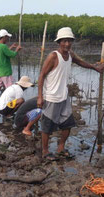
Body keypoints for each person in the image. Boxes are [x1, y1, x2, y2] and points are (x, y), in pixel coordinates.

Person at [37, 27, 104, 160]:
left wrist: (95, 68)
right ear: (59, 42)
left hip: (64, 97)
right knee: (47, 127)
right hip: (51, 97)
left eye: (69, 41)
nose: (67, 44)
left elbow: (80, 62)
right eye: (64, 41)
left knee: (67, 124)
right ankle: (45, 151)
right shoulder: (53, 56)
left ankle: (60, 148)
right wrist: (40, 96)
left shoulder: (70, 54)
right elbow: (41, 76)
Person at [0, 29, 22, 110]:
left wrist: (11, 47)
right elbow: (11, 55)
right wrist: (17, 50)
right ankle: (8, 109)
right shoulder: (3, 46)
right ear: (4, 37)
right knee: (10, 91)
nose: (8, 39)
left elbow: (4, 52)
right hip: (6, 72)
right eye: (7, 37)